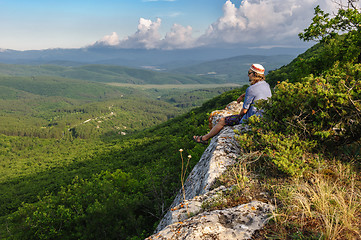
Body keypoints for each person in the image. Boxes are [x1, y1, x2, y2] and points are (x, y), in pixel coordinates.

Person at [193, 63, 272, 144]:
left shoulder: (251, 89)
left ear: (255, 74)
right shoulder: (266, 85)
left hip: (252, 119)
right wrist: (243, 95)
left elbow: (244, 111)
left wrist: (239, 116)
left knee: (223, 120)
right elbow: (258, 92)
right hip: (265, 117)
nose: (248, 75)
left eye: (249, 73)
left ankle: (204, 138)